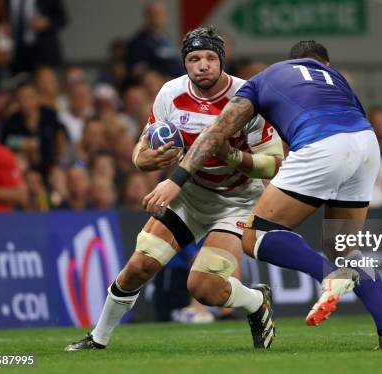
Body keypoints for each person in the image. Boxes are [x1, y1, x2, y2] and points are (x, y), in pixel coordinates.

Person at [143, 40, 382, 350]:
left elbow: (215, 133)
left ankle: (328, 275)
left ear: (293, 62)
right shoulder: (335, 78)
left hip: (321, 142)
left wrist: (176, 179)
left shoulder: (266, 78)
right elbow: (354, 124)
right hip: (366, 145)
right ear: (322, 63)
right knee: (344, 247)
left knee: (255, 235)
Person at [65, 27, 283, 352]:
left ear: (222, 60)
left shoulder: (246, 96)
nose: (203, 65)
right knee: (138, 266)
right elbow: (141, 151)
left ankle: (254, 300)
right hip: (188, 197)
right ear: (185, 63)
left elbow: (275, 163)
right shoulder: (170, 93)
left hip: (236, 202)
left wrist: (233, 157)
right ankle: (98, 339)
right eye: (194, 58)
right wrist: (147, 159)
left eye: (210, 57)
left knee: (204, 288)